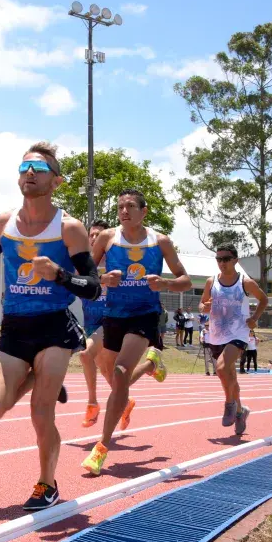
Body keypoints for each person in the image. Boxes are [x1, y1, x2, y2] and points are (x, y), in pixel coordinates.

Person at [0, 141, 101, 511]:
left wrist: (61, 275)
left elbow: (93, 288)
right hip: (14, 329)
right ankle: (35, 376)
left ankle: (46, 485)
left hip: (54, 328)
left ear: (57, 181)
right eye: (24, 168)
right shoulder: (4, 222)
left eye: (39, 169)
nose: (30, 173)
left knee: (40, 412)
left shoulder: (70, 229)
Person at [80, 188, 192, 475]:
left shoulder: (160, 242)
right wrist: (103, 279)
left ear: (144, 211)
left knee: (119, 372)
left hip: (144, 315)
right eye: (120, 206)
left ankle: (101, 448)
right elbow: (86, 277)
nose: (124, 211)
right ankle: (152, 364)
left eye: (130, 206)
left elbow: (186, 280)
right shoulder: (107, 238)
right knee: (115, 377)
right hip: (113, 316)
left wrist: (165, 285)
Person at [199, 244, 268, 435]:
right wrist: (203, 307)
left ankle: (229, 404)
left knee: (221, 368)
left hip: (239, 333)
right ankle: (240, 411)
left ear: (236, 260)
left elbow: (263, 299)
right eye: (219, 259)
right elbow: (202, 303)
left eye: (226, 259)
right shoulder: (211, 282)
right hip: (216, 334)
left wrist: (254, 318)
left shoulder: (245, 282)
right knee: (229, 378)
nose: (222, 263)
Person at [80, 219, 110, 428]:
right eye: (91, 234)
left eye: (99, 234)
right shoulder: (81, 264)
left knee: (84, 354)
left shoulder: (115, 263)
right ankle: (125, 401)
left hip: (111, 322)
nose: (93, 237)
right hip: (90, 324)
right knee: (109, 374)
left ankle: (92, 403)